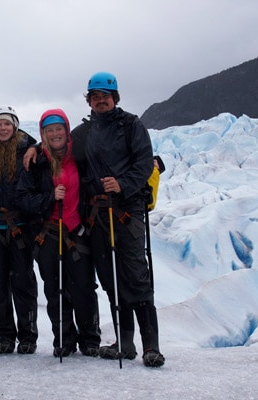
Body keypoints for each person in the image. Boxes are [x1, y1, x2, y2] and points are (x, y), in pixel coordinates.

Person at [72, 71, 165, 367]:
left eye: (105, 96)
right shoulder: (84, 133)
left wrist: (122, 183)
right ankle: (125, 344)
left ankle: (151, 346)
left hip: (127, 213)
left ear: (115, 98)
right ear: (89, 100)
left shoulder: (132, 125)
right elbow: (57, 148)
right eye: (95, 97)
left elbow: (144, 162)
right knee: (111, 280)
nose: (100, 101)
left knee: (136, 276)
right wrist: (34, 148)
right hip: (98, 215)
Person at [16, 109, 101, 358]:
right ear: (43, 134)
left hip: (78, 232)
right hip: (47, 234)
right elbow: (23, 199)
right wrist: (49, 198)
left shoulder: (80, 157)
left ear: (67, 130)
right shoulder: (36, 162)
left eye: (59, 128)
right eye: (49, 130)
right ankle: (63, 339)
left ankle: (90, 339)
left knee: (84, 287)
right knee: (55, 290)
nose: (55, 134)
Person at [0, 106, 39, 354]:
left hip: (20, 228)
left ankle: (27, 336)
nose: (2, 128)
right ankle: (5, 336)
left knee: (23, 284)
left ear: (15, 126)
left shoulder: (29, 151)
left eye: (6, 124)